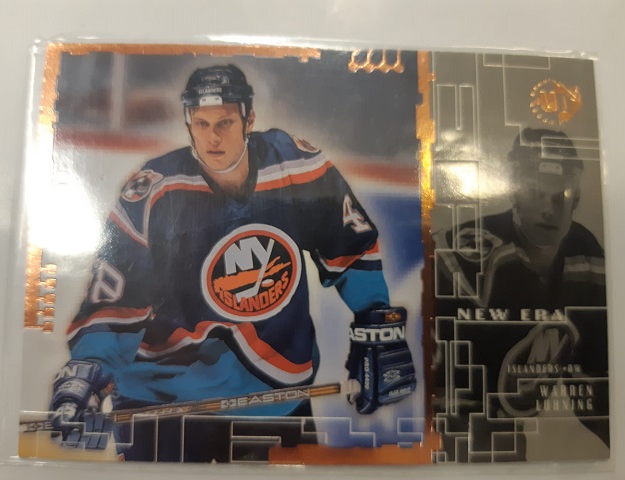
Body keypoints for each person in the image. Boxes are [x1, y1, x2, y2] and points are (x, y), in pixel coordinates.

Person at [47, 65, 416, 462]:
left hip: (276, 392)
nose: (213, 138)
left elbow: (351, 245)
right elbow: (114, 294)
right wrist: (88, 370)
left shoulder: (298, 167)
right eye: (201, 124)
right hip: (163, 400)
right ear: (189, 124)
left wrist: (377, 321)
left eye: (225, 122)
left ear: (249, 119)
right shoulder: (154, 191)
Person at [432, 128, 608, 460]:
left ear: (576, 199)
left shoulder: (587, 257)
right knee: (496, 443)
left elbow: (598, 385)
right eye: (535, 191)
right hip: (441, 422)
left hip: (504, 425)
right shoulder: (465, 256)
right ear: (514, 190)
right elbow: (451, 393)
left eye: (560, 195)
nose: (548, 209)